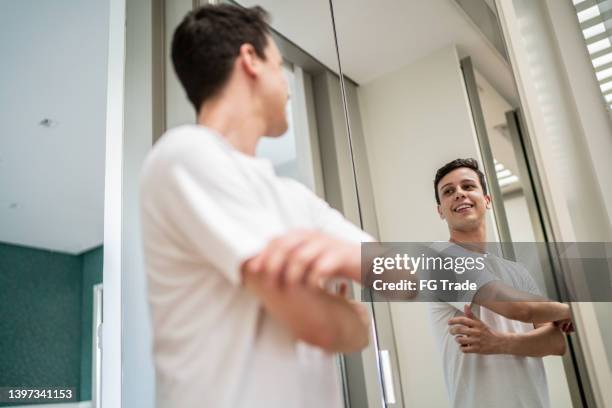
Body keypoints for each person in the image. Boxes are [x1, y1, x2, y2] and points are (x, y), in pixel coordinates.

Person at [139, 5, 370, 408]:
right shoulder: (183, 155)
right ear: (250, 60)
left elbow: (408, 277)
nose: (289, 86)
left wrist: (349, 256)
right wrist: (353, 313)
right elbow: (326, 330)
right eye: (280, 66)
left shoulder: (295, 198)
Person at [428, 158, 573, 408]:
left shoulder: (515, 271)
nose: (459, 194)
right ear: (441, 210)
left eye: (468, 186)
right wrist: (568, 310)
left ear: (486, 200)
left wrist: (499, 342)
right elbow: (519, 310)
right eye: (449, 191)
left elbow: (556, 342)